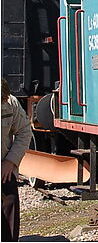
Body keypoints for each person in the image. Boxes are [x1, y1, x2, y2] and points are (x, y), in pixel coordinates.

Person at [2, 78, 32, 241]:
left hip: (4, 166)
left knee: (10, 203)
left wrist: (10, 161)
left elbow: (24, 131)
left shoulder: (10, 102)